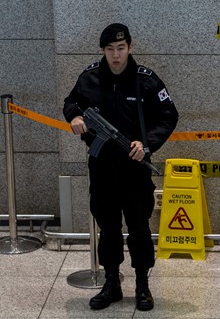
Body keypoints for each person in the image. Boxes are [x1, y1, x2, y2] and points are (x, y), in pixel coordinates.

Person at [63, 23, 179, 311]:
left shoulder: (146, 81)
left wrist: (147, 143)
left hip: (135, 168)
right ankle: (112, 283)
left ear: (130, 47)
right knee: (108, 228)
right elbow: (71, 102)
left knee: (139, 227)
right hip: (102, 167)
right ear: (103, 50)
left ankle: (142, 285)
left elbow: (168, 116)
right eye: (110, 49)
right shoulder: (89, 78)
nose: (116, 55)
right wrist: (75, 117)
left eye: (121, 48)